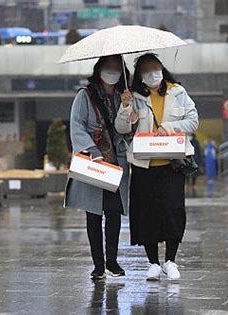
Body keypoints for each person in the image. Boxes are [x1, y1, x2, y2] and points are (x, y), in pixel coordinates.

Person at [115, 53, 199, 281]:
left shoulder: (178, 92)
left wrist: (169, 127)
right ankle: (152, 263)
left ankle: (171, 260)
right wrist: (124, 108)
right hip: (144, 165)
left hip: (172, 164)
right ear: (140, 75)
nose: (152, 72)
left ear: (162, 68)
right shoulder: (133, 97)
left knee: (173, 211)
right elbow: (122, 128)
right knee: (146, 212)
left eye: (155, 67)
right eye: (146, 69)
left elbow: (193, 121)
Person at [64, 55, 132, 280]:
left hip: (116, 162)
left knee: (114, 214)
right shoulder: (85, 95)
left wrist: (125, 107)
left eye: (116, 67)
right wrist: (92, 151)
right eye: (108, 67)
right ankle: (98, 264)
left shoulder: (125, 97)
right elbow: (77, 126)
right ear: (99, 69)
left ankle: (112, 261)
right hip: (94, 163)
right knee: (93, 214)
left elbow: (127, 130)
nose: (112, 71)